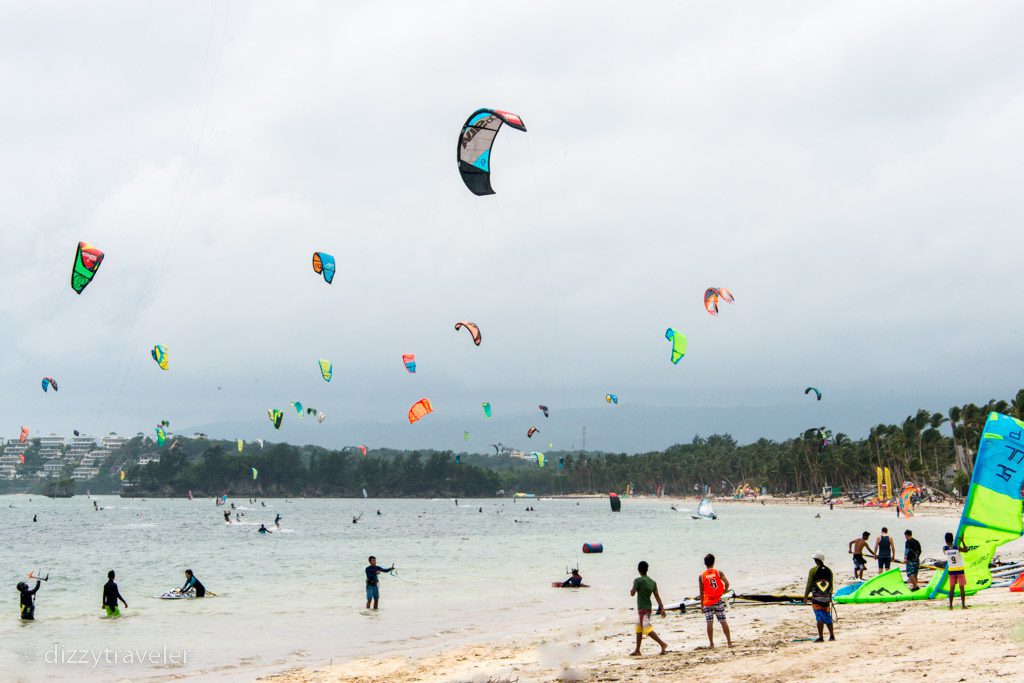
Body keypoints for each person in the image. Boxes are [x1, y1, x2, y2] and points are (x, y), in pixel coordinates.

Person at [629, 561, 668, 656]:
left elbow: (632, 593)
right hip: (648, 608)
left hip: (642, 609)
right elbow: (657, 596)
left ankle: (662, 644)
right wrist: (662, 608)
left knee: (647, 629)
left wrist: (634, 583)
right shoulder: (652, 582)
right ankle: (637, 650)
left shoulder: (638, 581)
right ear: (647, 570)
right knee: (638, 628)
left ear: (638, 570)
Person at [698, 553, 732, 648]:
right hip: (717, 600)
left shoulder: (701, 576)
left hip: (707, 602)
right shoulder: (718, 572)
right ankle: (729, 642)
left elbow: (701, 592)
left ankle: (711, 644)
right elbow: (727, 583)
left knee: (709, 622)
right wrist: (723, 592)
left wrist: (701, 605)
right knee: (723, 621)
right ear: (714, 562)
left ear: (705, 564)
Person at [803, 552, 835, 642]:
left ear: (816, 561)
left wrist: (805, 596)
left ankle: (821, 637)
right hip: (826, 598)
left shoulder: (813, 570)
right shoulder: (829, 570)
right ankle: (832, 636)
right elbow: (831, 584)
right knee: (828, 616)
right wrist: (829, 596)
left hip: (817, 598)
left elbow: (809, 584)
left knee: (819, 617)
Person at [943, 532, 969, 609]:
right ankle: (963, 605)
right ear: (953, 539)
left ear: (945, 540)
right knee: (962, 589)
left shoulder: (944, 548)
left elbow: (949, 549)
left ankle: (951, 606)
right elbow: (966, 550)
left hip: (951, 570)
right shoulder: (957, 547)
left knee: (951, 589)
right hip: (960, 570)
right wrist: (962, 540)